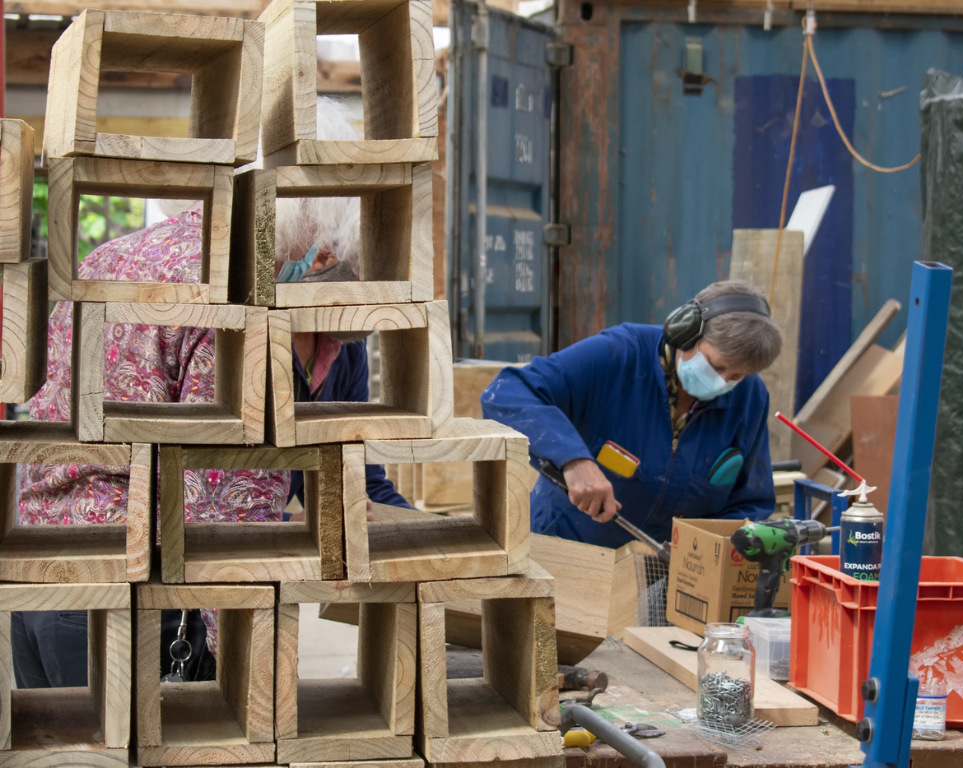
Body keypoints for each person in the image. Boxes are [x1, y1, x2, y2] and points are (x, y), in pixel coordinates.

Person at [12, 97, 406, 688]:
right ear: (317, 252)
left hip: (43, 575)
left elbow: (352, 471)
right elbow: (223, 514)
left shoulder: (311, 328)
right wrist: (254, 681)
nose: (367, 305)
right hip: (126, 597)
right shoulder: (236, 305)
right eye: (351, 269)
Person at [480, 280, 783, 549]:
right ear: (686, 331)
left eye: (736, 376)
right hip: (564, 550)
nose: (722, 382)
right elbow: (506, 392)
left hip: (661, 576)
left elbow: (749, 502)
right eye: (716, 366)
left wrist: (710, 552)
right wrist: (572, 459)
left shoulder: (750, 398)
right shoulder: (618, 355)